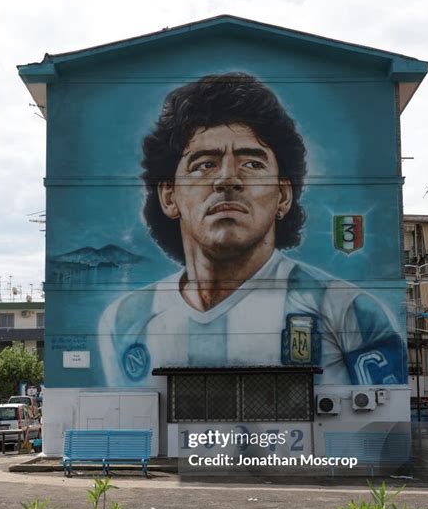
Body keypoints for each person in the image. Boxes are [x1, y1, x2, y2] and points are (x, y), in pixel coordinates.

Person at [99, 72, 407, 386]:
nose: (227, 179)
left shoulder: (351, 311)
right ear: (169, 196)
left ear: (283, 195)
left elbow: (385, 426)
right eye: (205, 164)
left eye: (252, 164)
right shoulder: (124, 320)